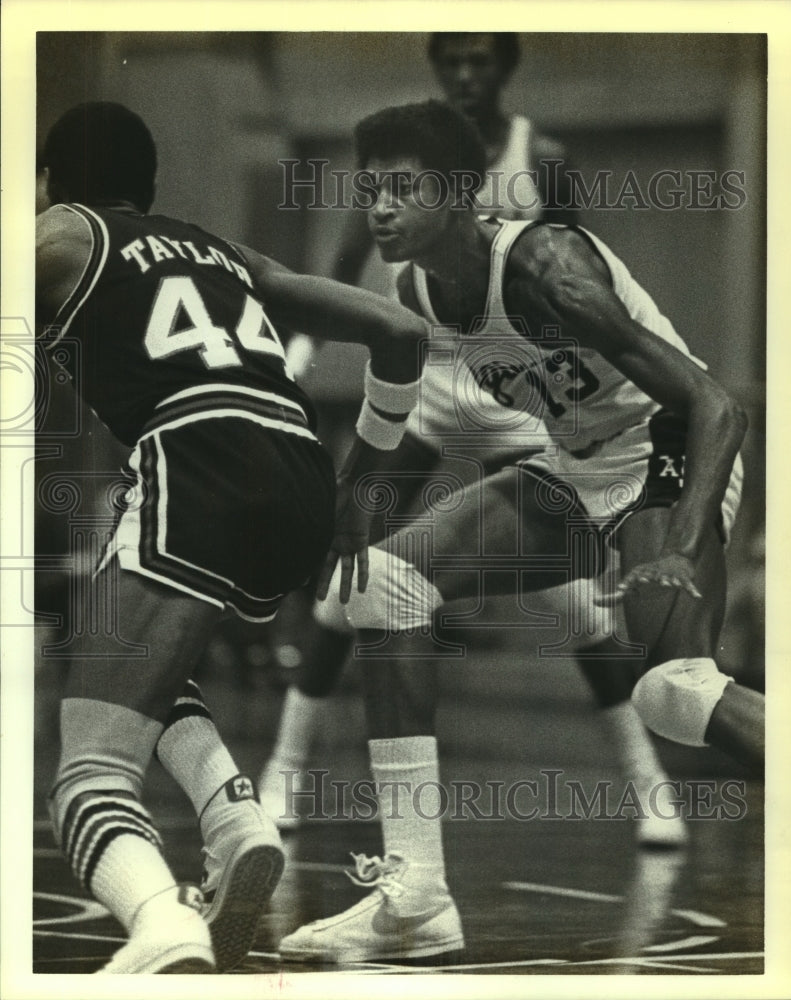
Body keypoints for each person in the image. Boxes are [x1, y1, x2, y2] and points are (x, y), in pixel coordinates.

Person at [275, 99, 764, 964]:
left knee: (675, 694)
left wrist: (684, 544)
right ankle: (416, 895)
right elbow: (404, 432)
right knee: (384, 584)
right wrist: (338, 505)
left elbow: (715, 403)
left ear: (460, 192)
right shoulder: (419, 288)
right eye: (369, 190)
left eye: (401, 188)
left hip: (665, 454)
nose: (379, 208)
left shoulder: (544, 263)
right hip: (575, 466)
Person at [35, 101, 430, 974]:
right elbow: (402, 332)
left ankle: (161, 927)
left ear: (55, 180)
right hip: (299, 476)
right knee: (121, 665)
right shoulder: (222, 252)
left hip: (198, 458)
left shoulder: (62, 233)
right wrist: (361, 485)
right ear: (149, 189)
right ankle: (234, 822)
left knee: (89, 774)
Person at [259, 32, 681, 846]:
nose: (463, 74)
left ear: (503, 70)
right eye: (450, 61)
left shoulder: (539, 157)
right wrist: (295, 366)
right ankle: (285, 766)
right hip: (425, 382)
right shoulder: (399, 173)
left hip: (517, 387)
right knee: (356, 569)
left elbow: (574, 270)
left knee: (571, 597)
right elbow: (340, 267)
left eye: (478, 61)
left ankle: (647, 784)